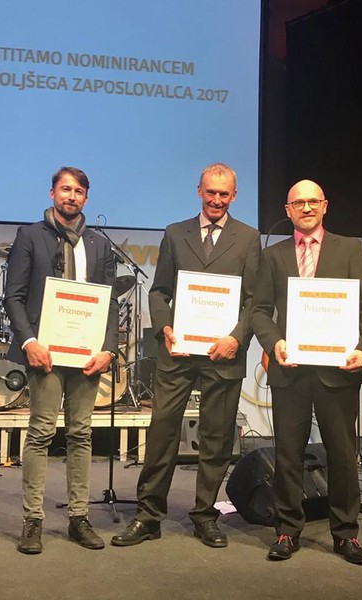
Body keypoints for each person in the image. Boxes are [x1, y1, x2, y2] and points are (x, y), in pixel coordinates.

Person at [111, 163, 261, 549]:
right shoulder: (176, 233)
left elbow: (254, 301)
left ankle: (205, 515)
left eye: (224, 194)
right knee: (162, 430)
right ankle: (148, 516)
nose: (216, 200)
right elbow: (159, 291)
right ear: (199, 191)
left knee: (216, 437)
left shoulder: (248, 238)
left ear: (234, 196)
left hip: (224, 353)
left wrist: (236, 338)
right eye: (211, 192)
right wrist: (164, 327)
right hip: (177, 352)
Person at [251, 179, 362, 565]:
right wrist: (274, 342)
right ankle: (287, 530)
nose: (306, 208)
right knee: (287, 455)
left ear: (325, 206)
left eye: (313, 201)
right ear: (287, 210)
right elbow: (260, 311)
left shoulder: (349, 249)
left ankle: (346, 534)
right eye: (298, 203)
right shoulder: (272, 256)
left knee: (341, 455)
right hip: (290, 370)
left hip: (338, 371)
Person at [4, 166, 119, 554]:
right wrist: (30, 342)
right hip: (46, 353)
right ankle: (33, 520)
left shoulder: (100, 244)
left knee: (81, 434)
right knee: (41, 433)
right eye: (65, 189)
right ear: (52, 193)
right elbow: (14, 296)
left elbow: (110, 302)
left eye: (78, 191)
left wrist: (108, 349)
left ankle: (78, 518)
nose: (71, 196)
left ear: (86, 197)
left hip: (87, 355)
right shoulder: (30, 236)